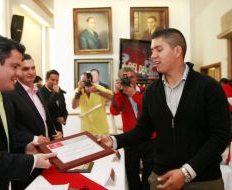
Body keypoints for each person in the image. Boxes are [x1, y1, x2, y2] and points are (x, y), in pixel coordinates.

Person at [98, 28, 230, 190]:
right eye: (152, 50)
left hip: (204, 180)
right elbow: (143, 130)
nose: (152, 55)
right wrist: (114, 141)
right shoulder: (152, 91)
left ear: (177, 51)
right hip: (162, 178)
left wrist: (187, 172)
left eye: (159, 50)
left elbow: (221, 135)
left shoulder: (209, 87)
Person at [0, 35, 56, 189]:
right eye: (14, 66)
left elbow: (0, 142)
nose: (18, 73)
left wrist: (25, 149)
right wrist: (32, 161)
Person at [6, 54, 62, 190]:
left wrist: (55, 133)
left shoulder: (38, 91)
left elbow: (44, 119)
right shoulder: (10, 93)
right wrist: (34, 138)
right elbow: (9, 130)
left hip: (45, 155)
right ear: (17, 71)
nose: (31, 72)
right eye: (25, 69)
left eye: (33, 68)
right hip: (26, 160)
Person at [110, 66, 155, 190]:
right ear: (120, 80)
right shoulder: (121, 95)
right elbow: (114, 111)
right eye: (126, 78)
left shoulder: (146, 90)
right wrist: (117, 92)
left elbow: (150, 107)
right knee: (131, 172)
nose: (130, 80)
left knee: (149, 172)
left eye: (132, 77)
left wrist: (133, 94)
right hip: (130, 139)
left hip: (149, 138)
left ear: (136, 78)